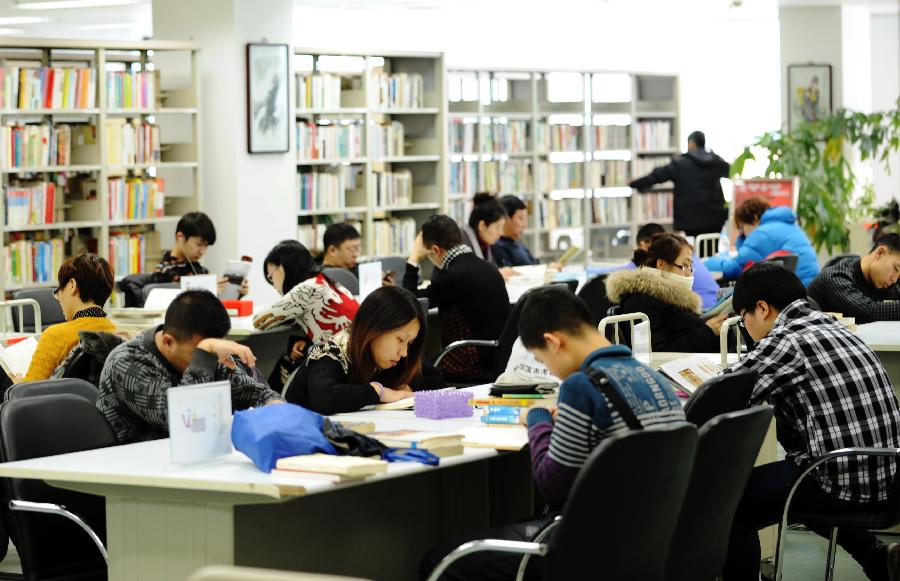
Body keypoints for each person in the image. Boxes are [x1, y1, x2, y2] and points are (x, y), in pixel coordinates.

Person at [419, 286, 685, 581]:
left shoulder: (581, 386)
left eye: (543, 361)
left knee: (441, 560)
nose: (552, 373)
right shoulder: (653, 378)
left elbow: (553, 485)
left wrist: (538, 418)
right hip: (651, 539)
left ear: (553, 342)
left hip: (591, 547)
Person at [721, 263, 900, 581]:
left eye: (743, 318)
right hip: (887, 475)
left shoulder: (789, 340)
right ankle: (877, 558)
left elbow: (727, 391)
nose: (745, 328)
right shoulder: (833, 327)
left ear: (761, 308)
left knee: (730, 501)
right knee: (799, 471)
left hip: (843, 477)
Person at [97, 290, 281, 444]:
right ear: (168, 342)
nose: (210, 358)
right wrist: (204, 355)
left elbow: (257, 394)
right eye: (201, 352)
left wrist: (278, 410)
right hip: (136, 472)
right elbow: (184, 420)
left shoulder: (207, 355)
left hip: (194, 460)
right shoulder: (126, 362)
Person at [286, 286, 446, 415]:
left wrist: (406, 389)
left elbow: (436, 378)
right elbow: (325, 398)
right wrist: (378, 391)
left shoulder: (389, 358)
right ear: (375, 329)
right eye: (400, 339)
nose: (404, 352)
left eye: (409, 343)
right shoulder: (332, 352)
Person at [404, 214, 510, 382]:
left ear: (436, 250)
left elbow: (409, 301)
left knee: (410, 372)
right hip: (498, 358)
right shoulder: (488, 267)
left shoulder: (453, 277)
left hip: (471, 362)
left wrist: (413, 260)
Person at [253, 240, 359, 391]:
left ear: (282, 268)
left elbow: (259, 321)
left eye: (271, 276)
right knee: (295, 353)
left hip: (341, 365)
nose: (273, 285)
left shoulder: (304, 290)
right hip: (357, 357)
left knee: (288, 360)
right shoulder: (325, 281)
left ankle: (271, 405)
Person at [606, 232, 727, 352]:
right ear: (661, 264)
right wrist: (707, 332)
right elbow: (656, 354)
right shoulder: (641, 301)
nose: (689, 273)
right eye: (684, 266)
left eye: (690, 267)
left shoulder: (675, 299)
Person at [15, 253, 117, 383]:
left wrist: (17, 383)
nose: (59, 298)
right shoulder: (116, 334)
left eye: (59, 289)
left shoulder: (55, 336)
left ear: (72, 285)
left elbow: (28, 392)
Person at [587, 223, 720, 310]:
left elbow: (621, 271)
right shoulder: (684, 256)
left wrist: (589, 270)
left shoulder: (676, 264)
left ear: (645, 245)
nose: (689, 274)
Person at [629, 130, 730, 238]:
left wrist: (635, 183)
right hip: (715, 217)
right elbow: (733, 172)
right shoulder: (716, 161)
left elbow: (657, 176)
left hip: (690, 219)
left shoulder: (680, 163)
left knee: (693, 251)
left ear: (691, 143)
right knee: (711, 249)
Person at [704, 197, 820, 285]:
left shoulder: (762, 233)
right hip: (807, 285)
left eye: (742, 227)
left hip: (795, 289)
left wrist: (702, 263)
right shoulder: (787, 225)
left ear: (754, 218)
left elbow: (735, 267)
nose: (742, 233)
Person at [148, 211, 248, 297]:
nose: (202, 251)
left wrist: (235, 292)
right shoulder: (163, 271)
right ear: (180, 237)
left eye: (206, 246)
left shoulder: (201, 270)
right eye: (199, 244)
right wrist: (208, 291)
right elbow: (167, 305)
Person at [807, 233, 900, 323]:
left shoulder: (883, 282)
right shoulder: (836, 277)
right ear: (880, 253)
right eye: (896, 269)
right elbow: (867, 311)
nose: (894, 279)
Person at [459, 193, 509, 276]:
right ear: (482, 225)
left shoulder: (485, 244)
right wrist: (496, 274)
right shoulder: (461, 243)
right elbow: (467, 277)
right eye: (497, 227)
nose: (501, 233)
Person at [493, 195, 538, 267]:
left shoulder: (518, 243)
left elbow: (534, 263)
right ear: (506, 219)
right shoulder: (497, 247)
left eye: (526, 218)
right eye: (521, 218)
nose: (525, 225)